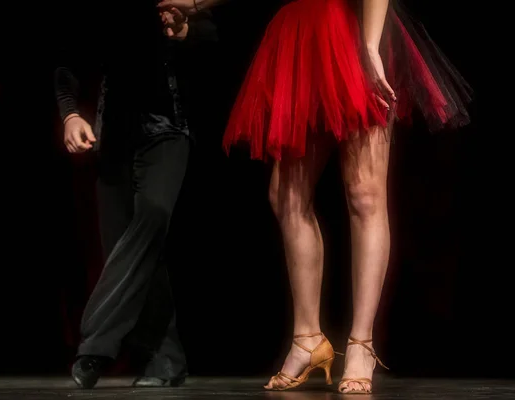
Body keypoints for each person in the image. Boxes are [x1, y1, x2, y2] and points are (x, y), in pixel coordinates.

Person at [221, 0, 472, 394]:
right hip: (300, 32)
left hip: (352, 30)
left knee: (364, 194)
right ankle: (306, 339)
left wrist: (370, 45)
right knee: (286, 194)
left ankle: (361, 345)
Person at [53, 0, 218, 389]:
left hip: (169, 132)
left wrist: (187, 31)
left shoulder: (172, 3)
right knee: (128, 250)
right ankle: (167, 359)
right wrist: (70, 114)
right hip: (114, 140)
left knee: (151, 221)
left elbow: (216, 35)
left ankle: (94, 345)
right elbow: (68, 62)